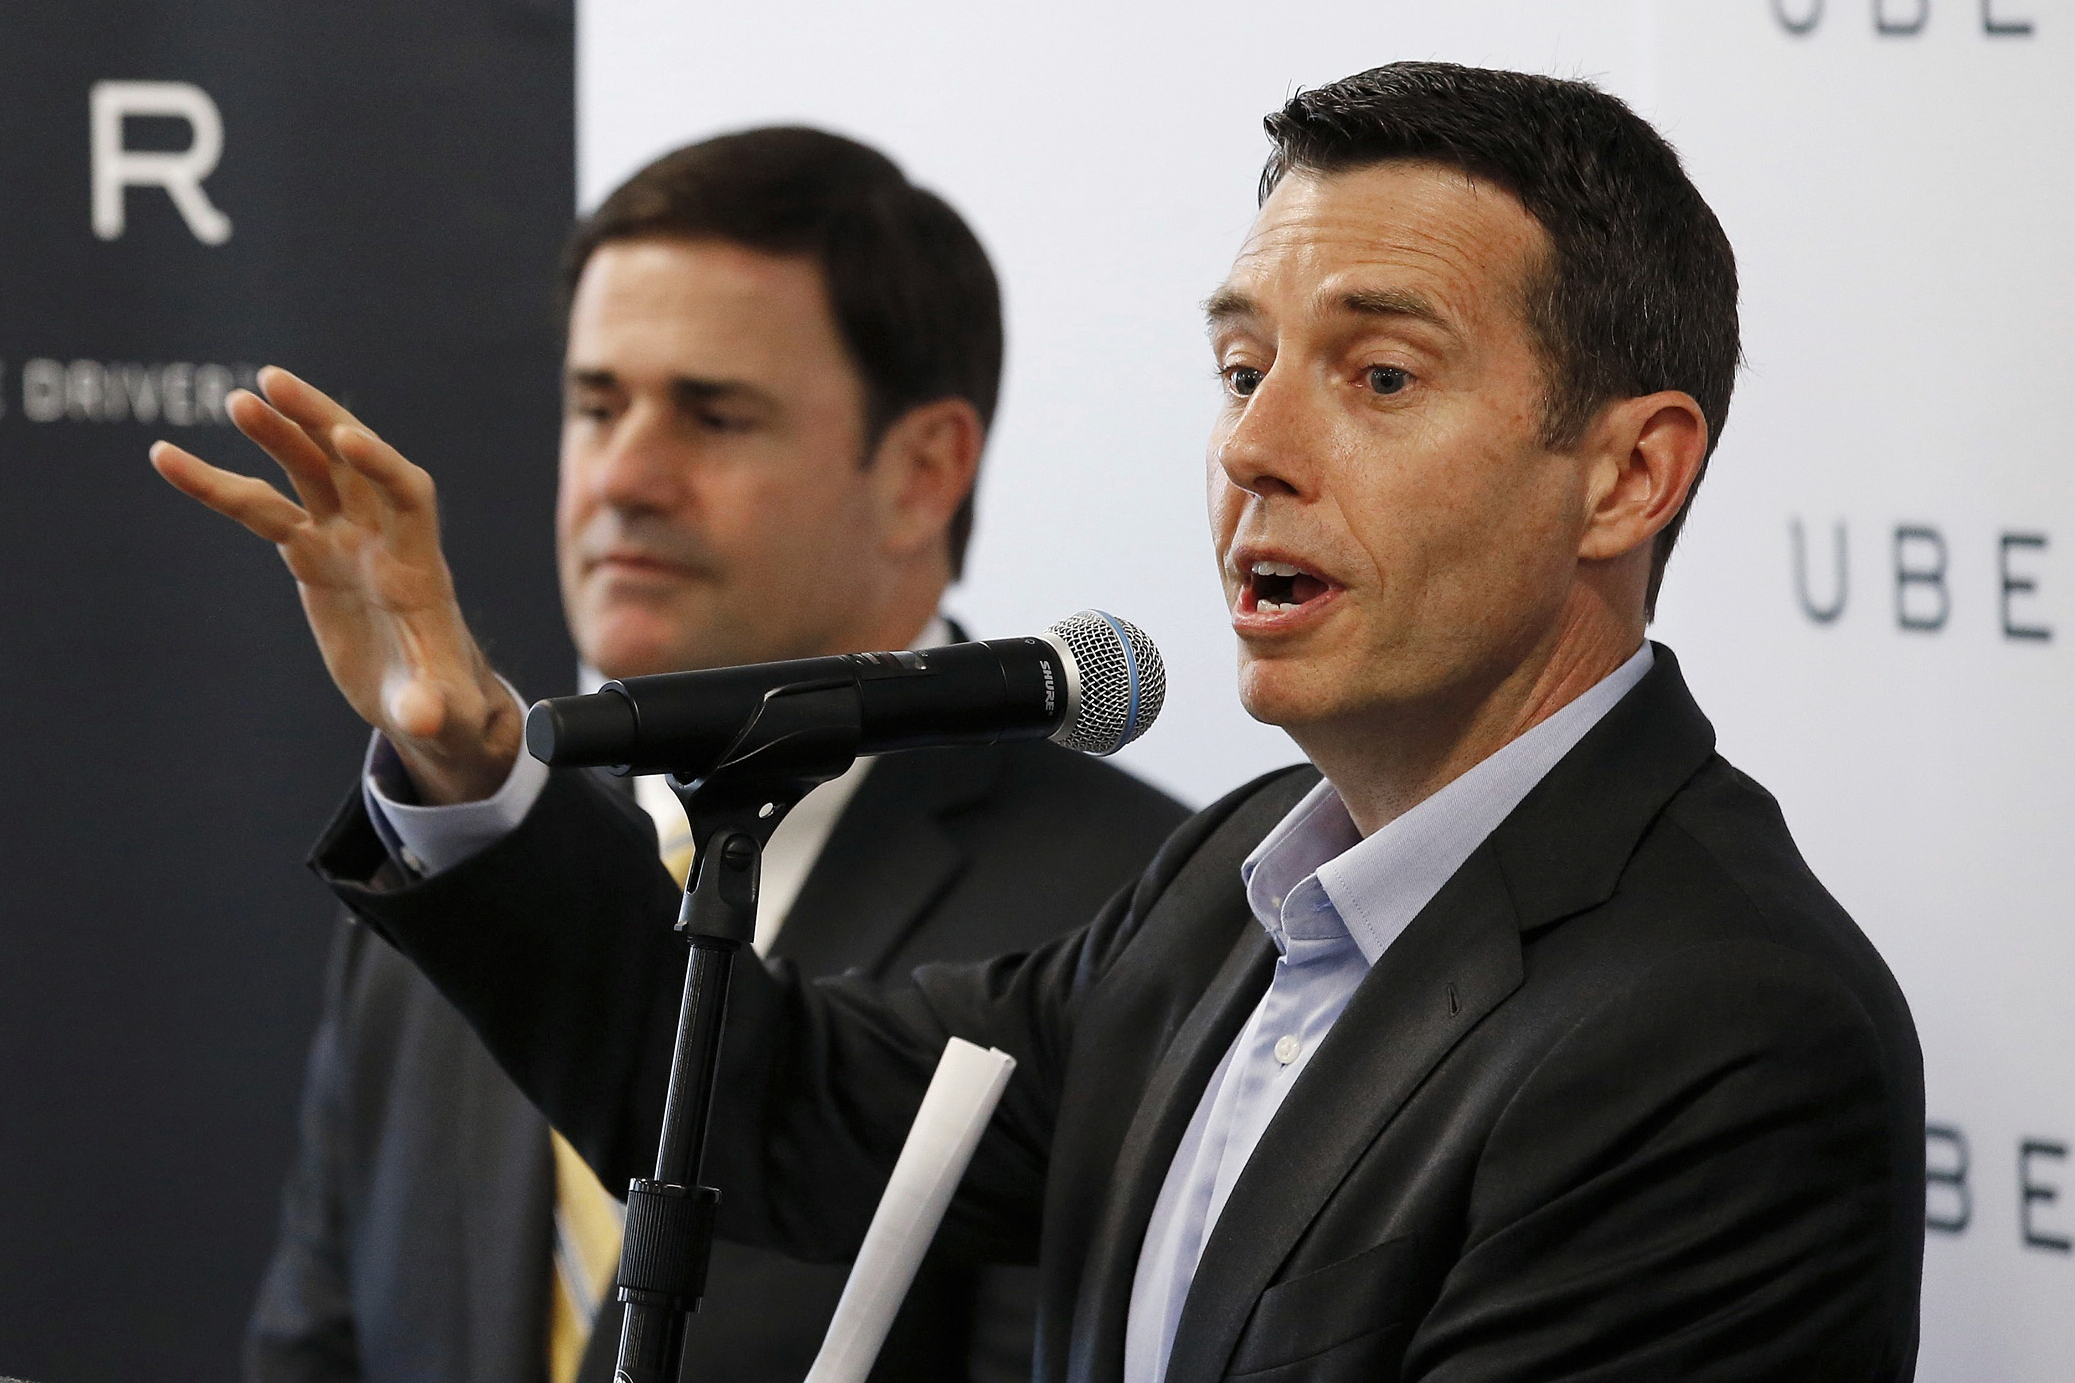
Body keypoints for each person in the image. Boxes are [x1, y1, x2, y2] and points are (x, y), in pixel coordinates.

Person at [160, 65, 1926, 1382]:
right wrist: (471, 769)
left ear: (1628, 473)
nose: (1252, 446)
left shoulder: (1727, 1027)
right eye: (1243, 369)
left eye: (1377, 375)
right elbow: (760, 1099)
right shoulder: (1230, 883)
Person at [156, 128, 1186, 1383]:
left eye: (713, 413)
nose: (624, 476)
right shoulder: (463, 862)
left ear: (925, 470)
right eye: (597, 404)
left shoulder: (1138, 908)